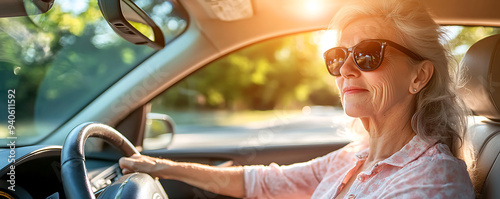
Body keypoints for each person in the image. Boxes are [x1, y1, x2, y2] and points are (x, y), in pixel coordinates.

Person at [119, 0, 475, 198]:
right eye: (338, 56)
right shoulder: (356, 157)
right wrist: (158, 167)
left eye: (368, 54)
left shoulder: (433, 181)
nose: (346, 69)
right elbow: (258, 182)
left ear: (419, 76)